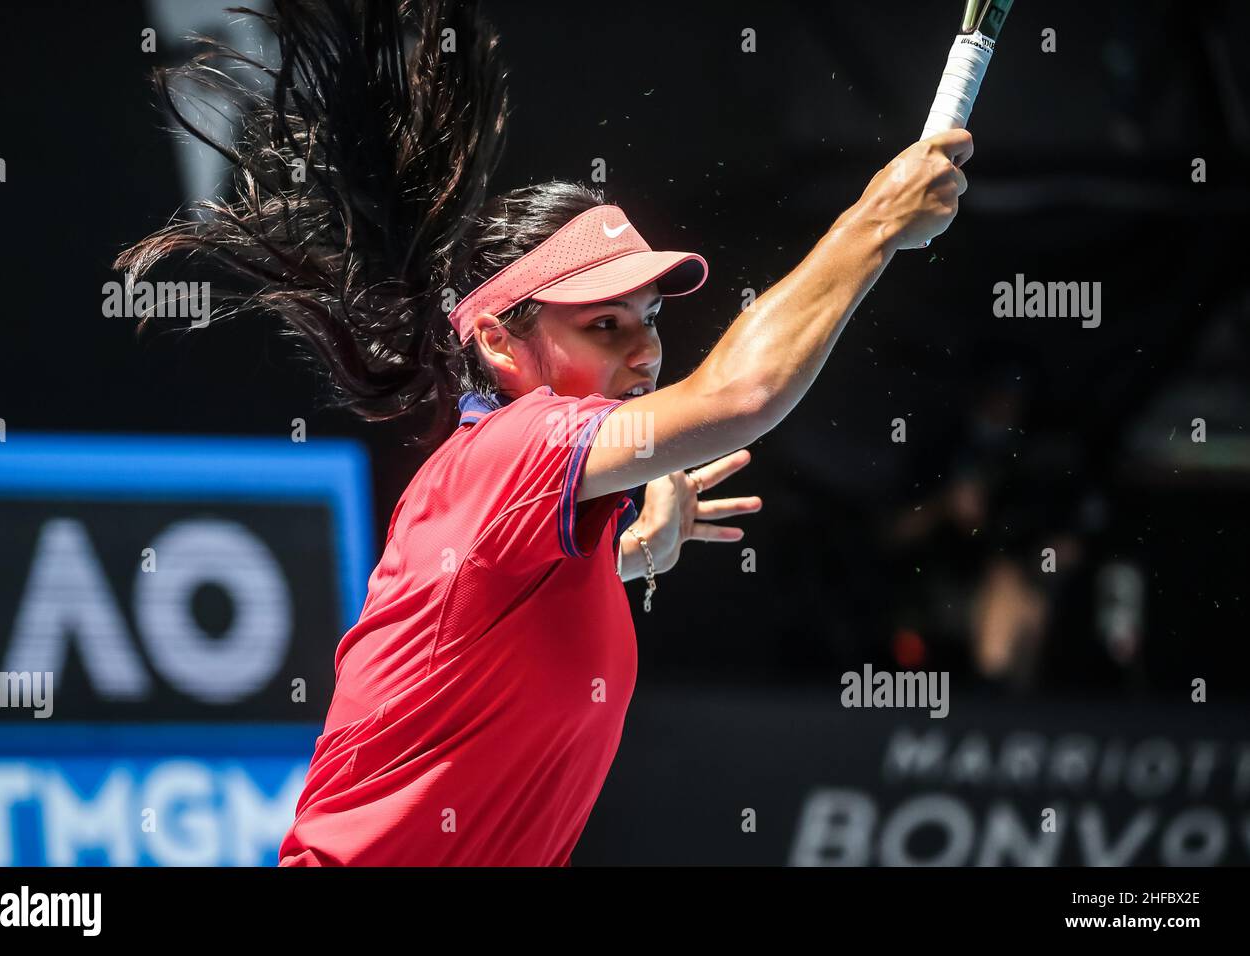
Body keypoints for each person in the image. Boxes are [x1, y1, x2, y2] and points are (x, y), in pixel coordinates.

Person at [116, 0, 970, 865]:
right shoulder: (511, 450)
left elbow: (488, 627)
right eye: (605, 326)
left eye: (648, 317)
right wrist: (875, 223)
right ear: (498, 340)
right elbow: (743, 392)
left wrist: (622, 556)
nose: (646, 351)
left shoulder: (522, 506)